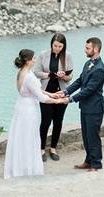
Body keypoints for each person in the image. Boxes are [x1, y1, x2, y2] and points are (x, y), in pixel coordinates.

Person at [3, 49, 65, 179]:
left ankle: (18, 167)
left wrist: (51, 94)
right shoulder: (30, 76)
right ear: (28, 61)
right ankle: (27, 169)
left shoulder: (22, 72)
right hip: (28, 110)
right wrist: (57, 100)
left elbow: (37, 90)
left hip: (21, 106)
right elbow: (41, 98)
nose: (35, 60)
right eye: (33, 58)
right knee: (29, 138)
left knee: (20, 137)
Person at [51, 37, 104, 172]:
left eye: (88, 48)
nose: (85, 50)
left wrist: (70, 99)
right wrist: (65, 92)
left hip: (95, 107)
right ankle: (88, 161)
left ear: (96, 49)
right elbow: (80, 81)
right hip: (86, 106)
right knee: (86, 136)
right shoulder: (88, 63)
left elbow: (89, 90)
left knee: (93, 136)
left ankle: (96, 164)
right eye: (86, 47)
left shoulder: (99, 69)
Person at [34, 33, 75, 162]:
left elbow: (70, 77)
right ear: (51, 44)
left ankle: (53, 148)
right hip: (46, 92)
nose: (57, 48)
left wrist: (63, 76)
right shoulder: (43, 54)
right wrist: (50, 75)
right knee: (45, 121)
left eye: (60, 46)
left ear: (64, 46)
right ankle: (41, 149)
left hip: (62, 93)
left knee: (58, 121)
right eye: (55, 46)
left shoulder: (68, 56)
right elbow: (36, 72)